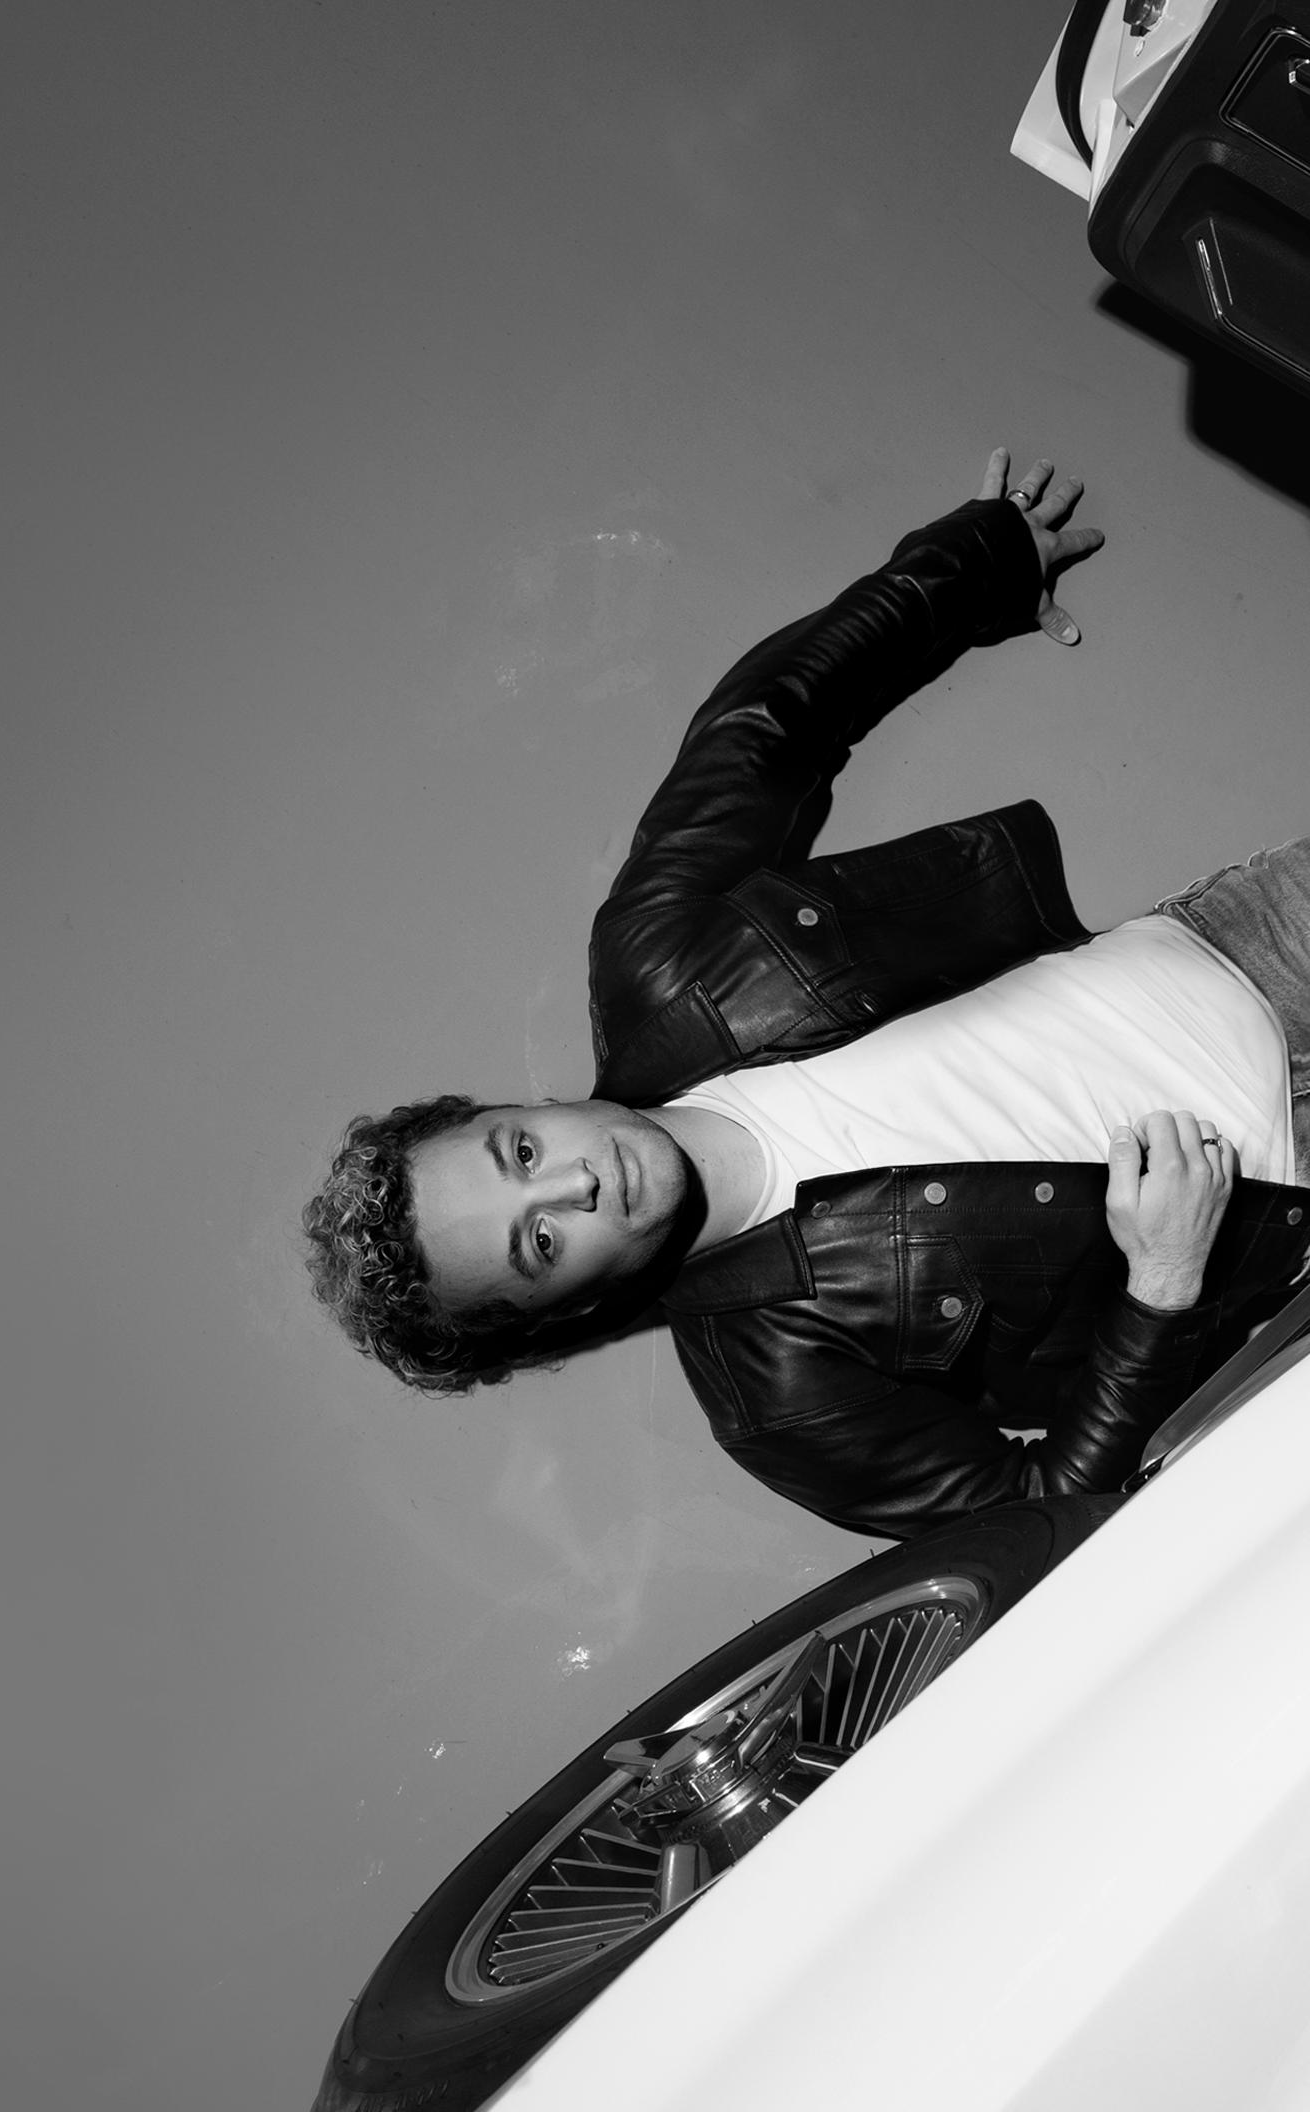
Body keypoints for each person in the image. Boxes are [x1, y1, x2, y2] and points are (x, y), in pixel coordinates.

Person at [304, 452, 1310, 1539]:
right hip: (1289, 1229)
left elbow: (766, 722)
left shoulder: (660, 960)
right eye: (538, 1244)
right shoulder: (776, 1396)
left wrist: (978, 562)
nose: (575, 1185)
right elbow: (1041, 1522)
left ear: (518, 1107)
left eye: (519, 1152)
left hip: (1253, 946)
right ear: (562, 1307)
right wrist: (1162, 1282)